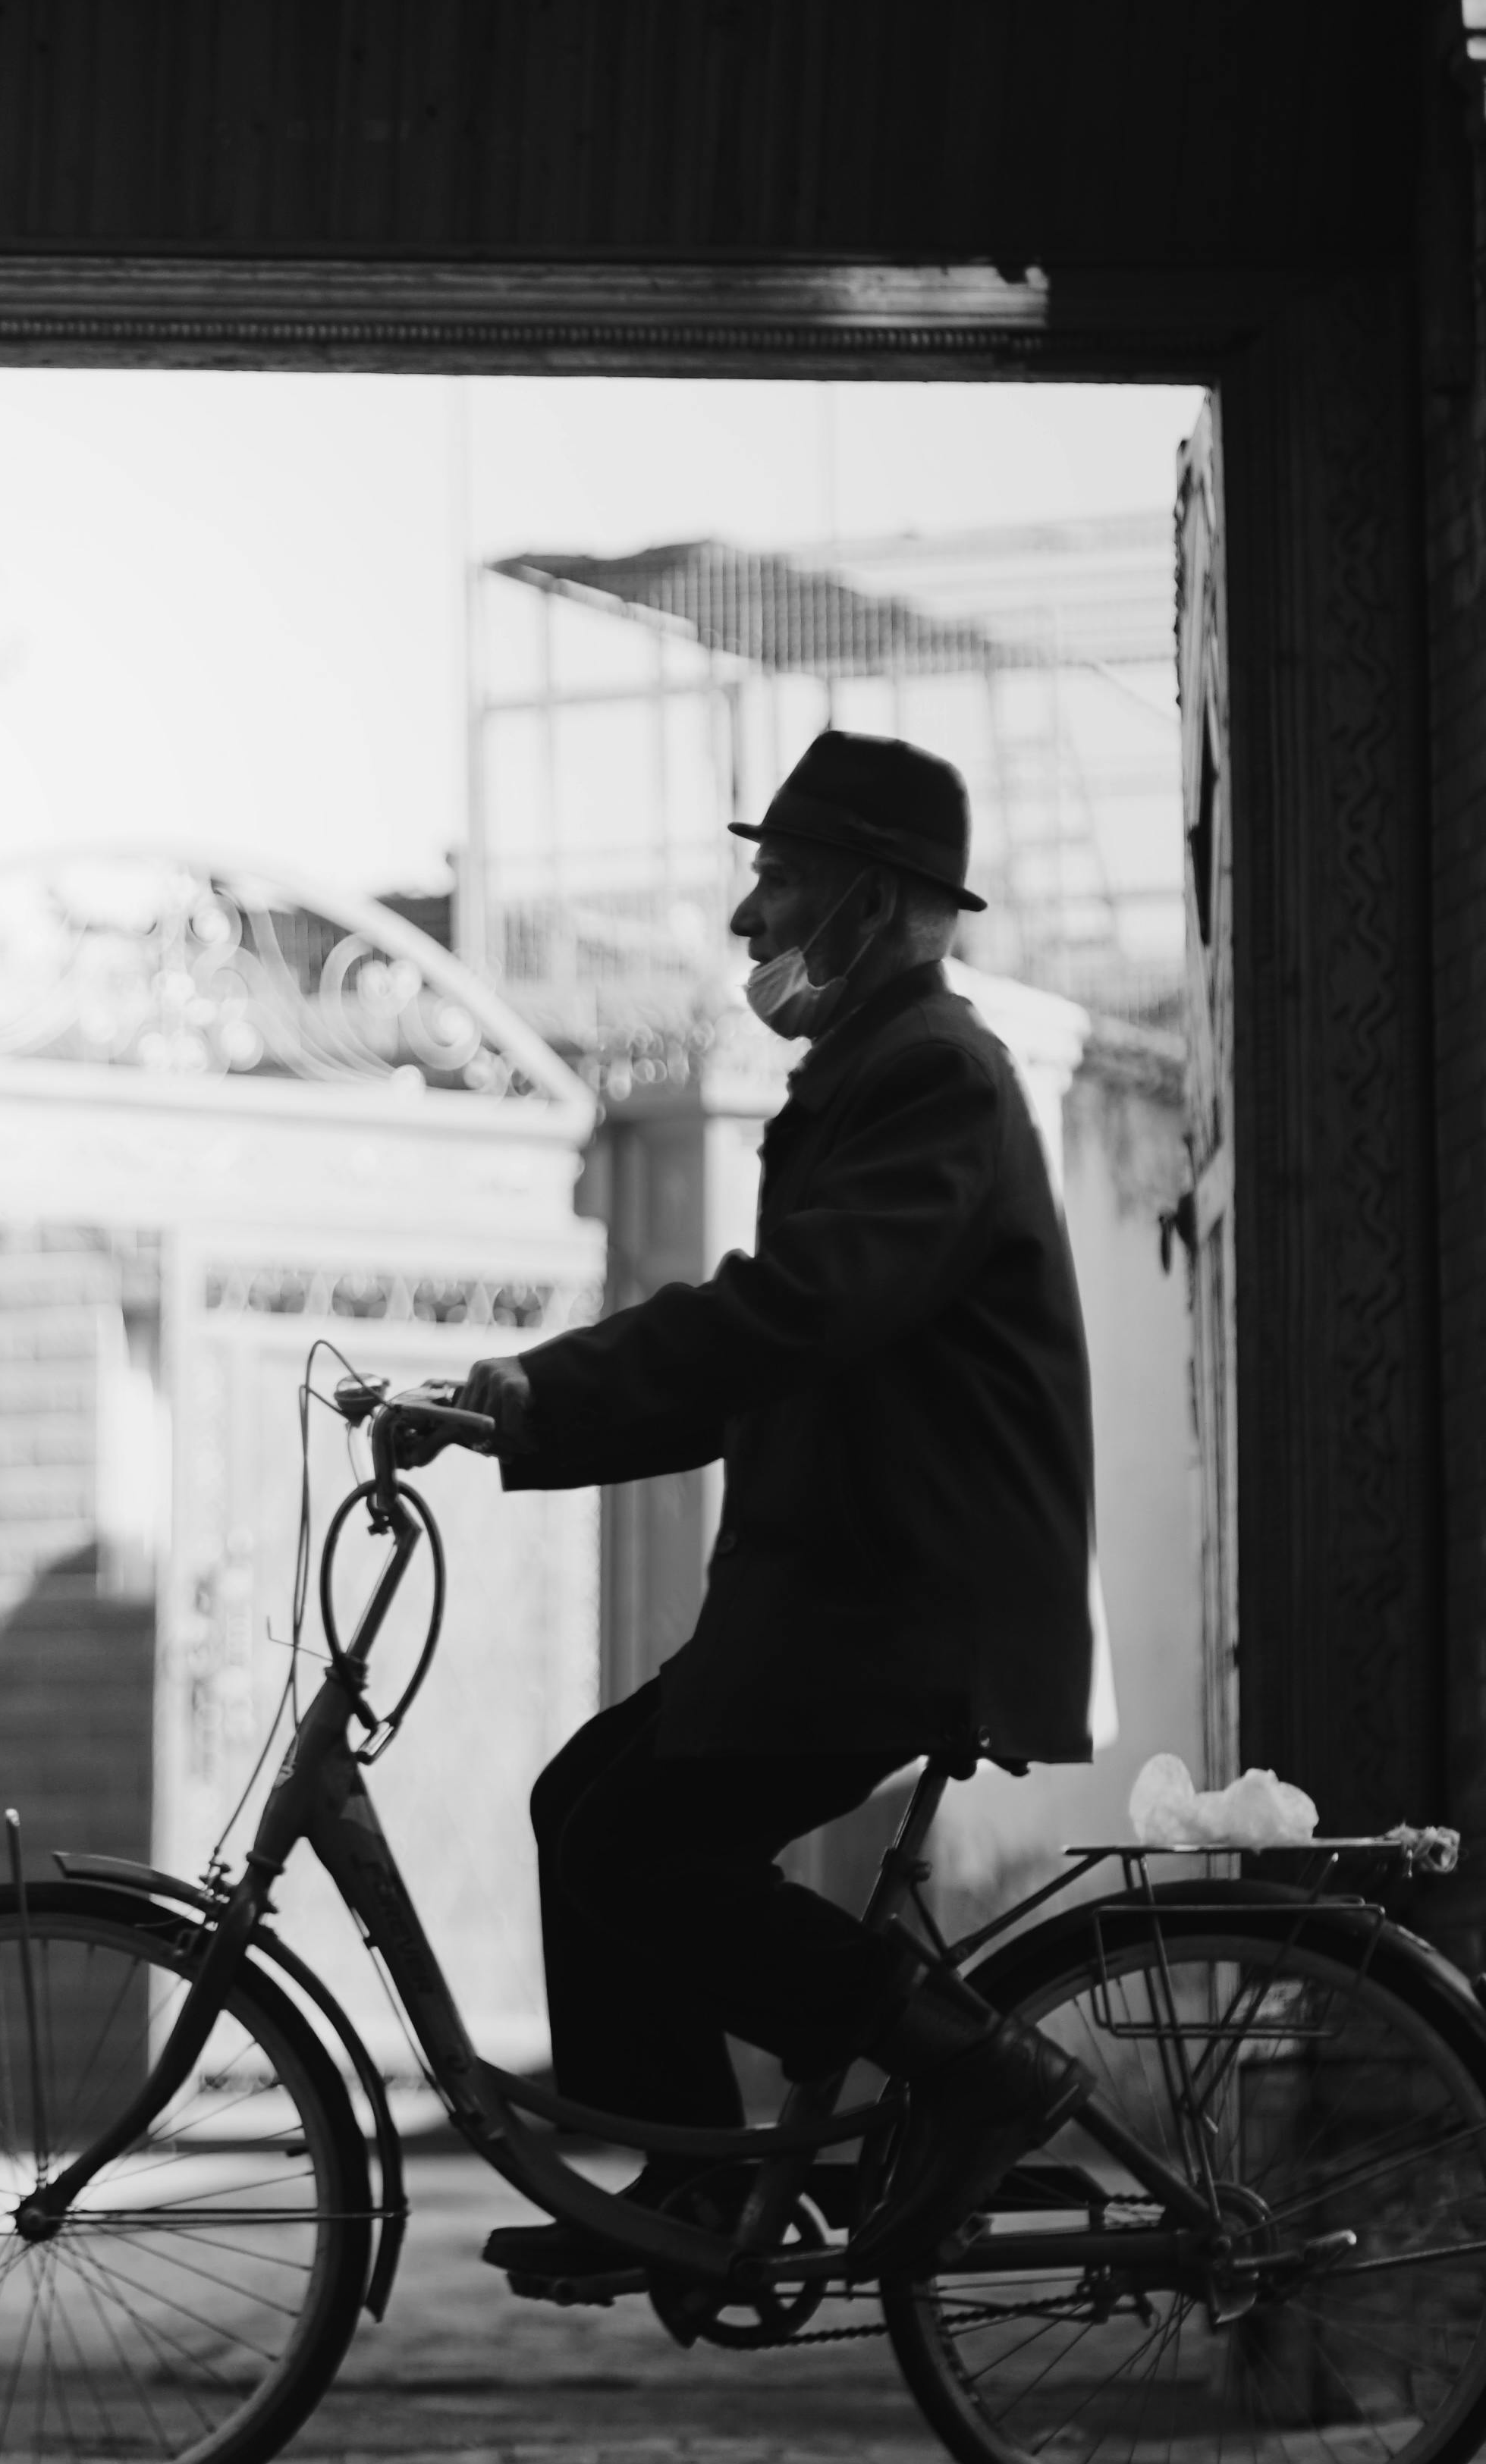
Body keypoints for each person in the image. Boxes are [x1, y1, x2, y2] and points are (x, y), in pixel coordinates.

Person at [388, 728, 1098, 2286]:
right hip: (851, 1587)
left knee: (633, 1845)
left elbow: (789, 1313)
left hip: (909, 1595)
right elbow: (756, 1368)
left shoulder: (931, 1072)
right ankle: (694, 2186)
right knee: (585, 1802)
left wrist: (538, 1382)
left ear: (868, 896)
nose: (746, 916)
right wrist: (515, 1410)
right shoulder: (868, 1070)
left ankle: (974, 2068)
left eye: (774, 877)